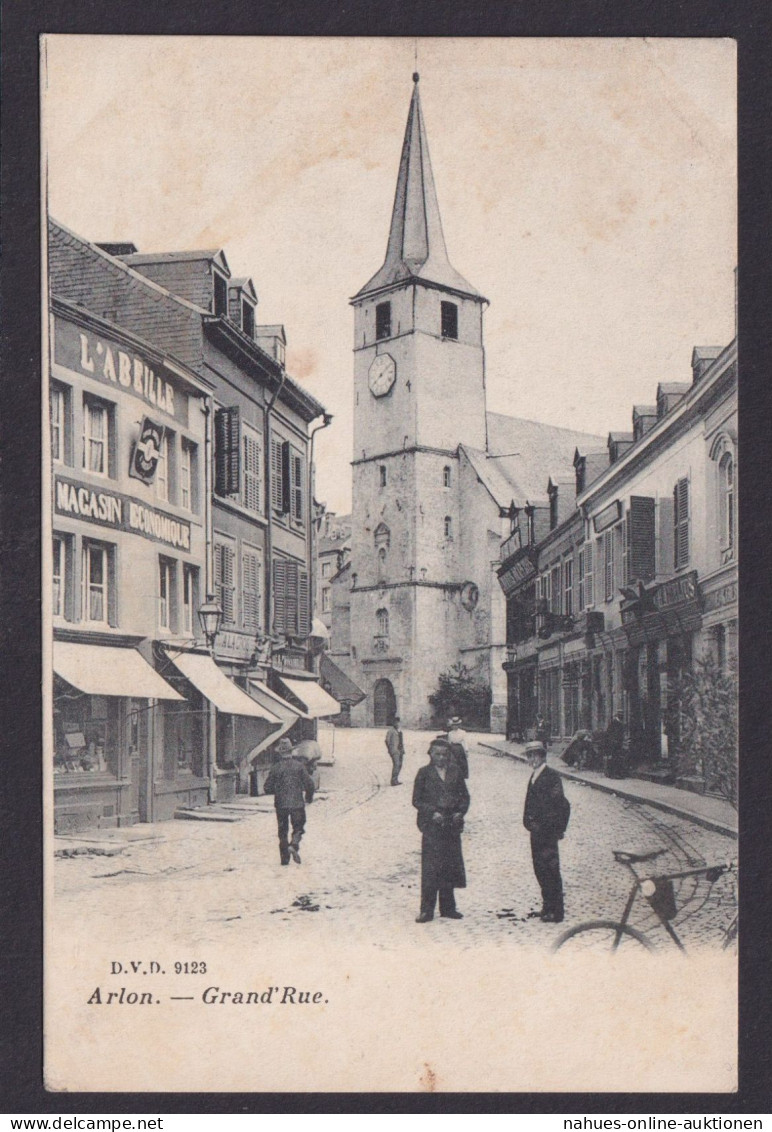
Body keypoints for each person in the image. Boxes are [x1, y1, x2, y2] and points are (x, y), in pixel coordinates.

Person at [412, 738, 470, 923]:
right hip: (432, 827)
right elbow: (417, 800)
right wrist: (431, 812)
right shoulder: (423, 773)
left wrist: (460, 812)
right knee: (431, 868)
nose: (441, 758)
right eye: (437, 754)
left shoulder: (455, 772)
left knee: (449, 865)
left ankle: (448, 908)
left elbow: (465, 796)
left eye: (444, 754)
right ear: (430, 754)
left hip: (451, 826)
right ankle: (426, 910)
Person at [522, 740, 570, 923]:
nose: (532, 759)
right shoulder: (534, 776)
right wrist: (527, 822)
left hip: (547, 833)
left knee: (551, 870)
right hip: (536, 832)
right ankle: (547, 906)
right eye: (530, 756)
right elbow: (529, 804)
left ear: (543, 756)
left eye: (536, 755)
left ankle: (557, 911)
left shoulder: (551, 777)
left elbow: (561, 806)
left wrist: (553, 828)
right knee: (540, 869)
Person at [263, 737, 315, 866]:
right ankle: (294, 844)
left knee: (282, 831)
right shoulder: (299, 766)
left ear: (280, 753)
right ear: (291, 752)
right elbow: (310, 784)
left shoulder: (276, 768)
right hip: (297, 803)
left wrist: (277, 790)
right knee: (298, 827)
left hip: (281, 804)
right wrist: (308, 798)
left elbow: (267, 787)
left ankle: (284, 860)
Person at [604, 712, 626, 779]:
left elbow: (621, 734)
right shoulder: (613, 722)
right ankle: (612, 774)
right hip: (613, 744)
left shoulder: (621, 723)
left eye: (622, 715)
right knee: (614, 758)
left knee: (618, 758)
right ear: (618, 715)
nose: (622, 716)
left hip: (619, 743)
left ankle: (617, 774)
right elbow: (609, 733)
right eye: (620, 715)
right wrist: (612, 741)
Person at [385, 715, 405, 786]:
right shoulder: (391, 731)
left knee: (400, 765)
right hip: (394, 751)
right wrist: (390, 749)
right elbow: (387, 740)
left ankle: (396, 779)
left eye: (399, 723)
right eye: (396, 722)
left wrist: (402, 749)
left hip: (401, 750)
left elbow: (401, 741)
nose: (397, 724)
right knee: (396, 765)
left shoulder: (399, 731)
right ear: (393, 723)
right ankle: (393, 781)